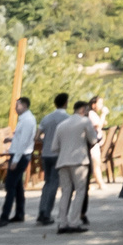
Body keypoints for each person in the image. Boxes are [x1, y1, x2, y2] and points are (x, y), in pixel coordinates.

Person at [55, 94, 105, 232]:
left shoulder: (61, 125)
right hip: (80, 161)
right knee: (80, 191)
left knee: (65, 192)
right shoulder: (84, 122)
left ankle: (62, 222)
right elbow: (93, 140)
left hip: (62, 161)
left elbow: (54, 147)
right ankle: (74, 222)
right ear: (83, 110)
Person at [0, 98, 36, 226]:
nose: (15, 108)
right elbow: (19, 138)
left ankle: (4, 216)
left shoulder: (28, 121)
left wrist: (15, 159)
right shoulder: (24, 119)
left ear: (24, 105)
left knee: (10, 186)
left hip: (21, 156)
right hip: (18, 154)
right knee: (18, 186)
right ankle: (19, 213)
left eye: (17, 105)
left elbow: (24, 142)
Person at [35, 94, 72, 225]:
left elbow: (37, 136)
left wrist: (45, 142)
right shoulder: (67, 119)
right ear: (65, 103)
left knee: (47, 183)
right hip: (58, 154)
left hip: (46, 154)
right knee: (54, 184)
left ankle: (41, 210)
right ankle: (46, 213)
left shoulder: (47, 118)